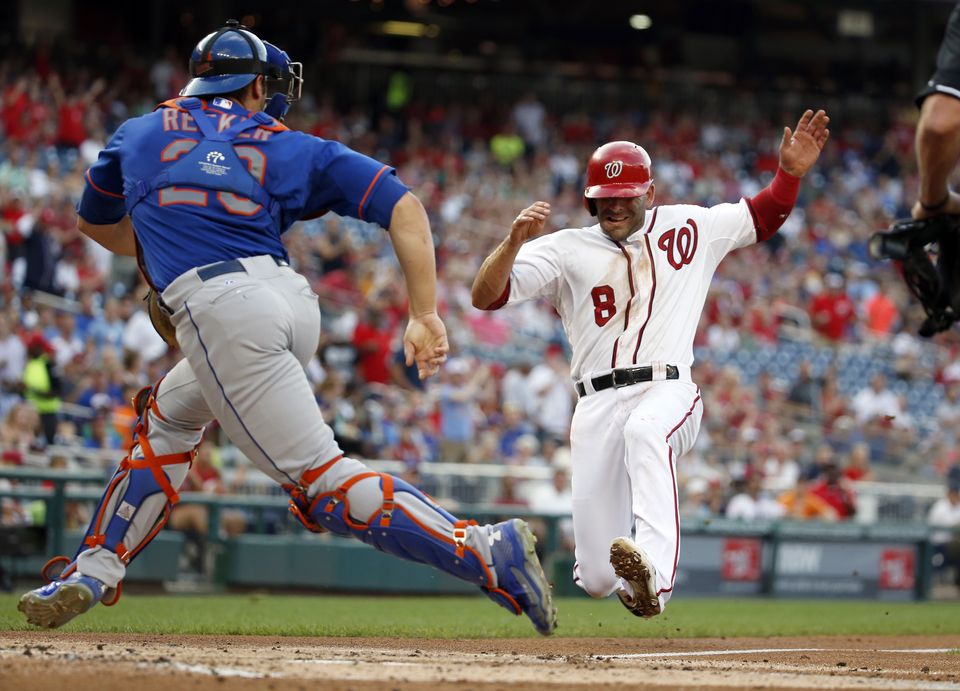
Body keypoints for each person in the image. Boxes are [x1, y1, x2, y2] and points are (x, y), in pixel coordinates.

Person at [18, 21, 556, 636]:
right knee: (168, 416)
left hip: (221, 306)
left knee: (319, 481)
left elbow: (99, 226)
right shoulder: (282, 142)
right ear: (253, 87)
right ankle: (93, 569)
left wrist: (168, 239)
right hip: (289, 302)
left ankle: (485, 550)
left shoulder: (138, 132)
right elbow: (403, 205)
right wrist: (424, 312)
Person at [471, 110, 829, 618]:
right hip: (595, 403)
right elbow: (485, 297)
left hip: (667, 388)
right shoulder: (566, 248)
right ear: (591, 199)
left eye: (626, 197)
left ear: (649, 194)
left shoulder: (692, 225)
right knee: (596, 577)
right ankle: (625, 578)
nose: (614, 206)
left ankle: (654, 579)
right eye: (604, 198)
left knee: (646, 432)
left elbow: (762, 216)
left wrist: (788, 175)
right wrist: (511, 245)